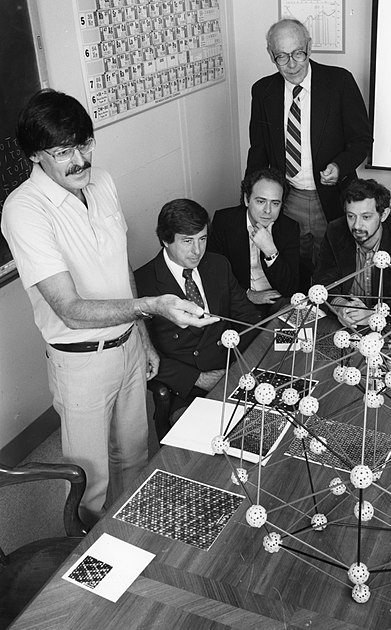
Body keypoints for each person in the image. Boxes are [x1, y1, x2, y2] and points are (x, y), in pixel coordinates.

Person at [1, 89, 209, 524]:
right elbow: (70, 309)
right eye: (63, 151)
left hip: (130, 346)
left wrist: (146, 342)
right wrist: (152, 305)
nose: (80, 160)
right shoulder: (23, 210)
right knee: (89, 484)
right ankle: (89, 577)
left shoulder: (104, 182)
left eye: (84, 144)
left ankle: (129, 547)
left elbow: (120, 269)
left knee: (134, 459)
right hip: (81, 363)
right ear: (37, 155)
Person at [246, 18, 373, 286]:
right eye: (281, 57)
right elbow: (257, 150)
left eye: (298, 54)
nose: (291, 65)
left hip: (332, 196)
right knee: (295, 268)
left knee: (335, 266)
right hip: (288, 197)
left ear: (309, 48)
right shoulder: (263, 91)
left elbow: (362, 140)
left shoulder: (339, 82)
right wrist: (248, 197)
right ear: (271, 55)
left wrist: (339, 167)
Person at [135, 199, 261, 417]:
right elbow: (143, 351)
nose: (197, 251)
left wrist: (242, 366)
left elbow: (247, 317)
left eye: (202, 239)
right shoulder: (142, 284)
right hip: (186, 384)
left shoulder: (218, 264)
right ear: (165, 240)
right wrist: (198, 379)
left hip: (232, 366)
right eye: (187, 241)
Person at [314, 178, 391, 328]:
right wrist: (341, 308)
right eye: (351, 216)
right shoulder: (335, 231)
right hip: (345, 322)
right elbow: (323, 281)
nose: (357, 225)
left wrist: (374, 315)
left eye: (366, 217)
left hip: (388, 324)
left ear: (384, 214)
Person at [208, 168, 300, 315]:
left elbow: (290, 287)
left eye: (275, 203)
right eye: (261, 201)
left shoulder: (289, 228)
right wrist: (248, 294)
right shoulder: (224, 222)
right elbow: (214, 273)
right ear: (246, 199)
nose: (268, 210)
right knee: (251, 336)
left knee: (291, 335)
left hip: (277, 301)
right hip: (239, 300)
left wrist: (270, 251)